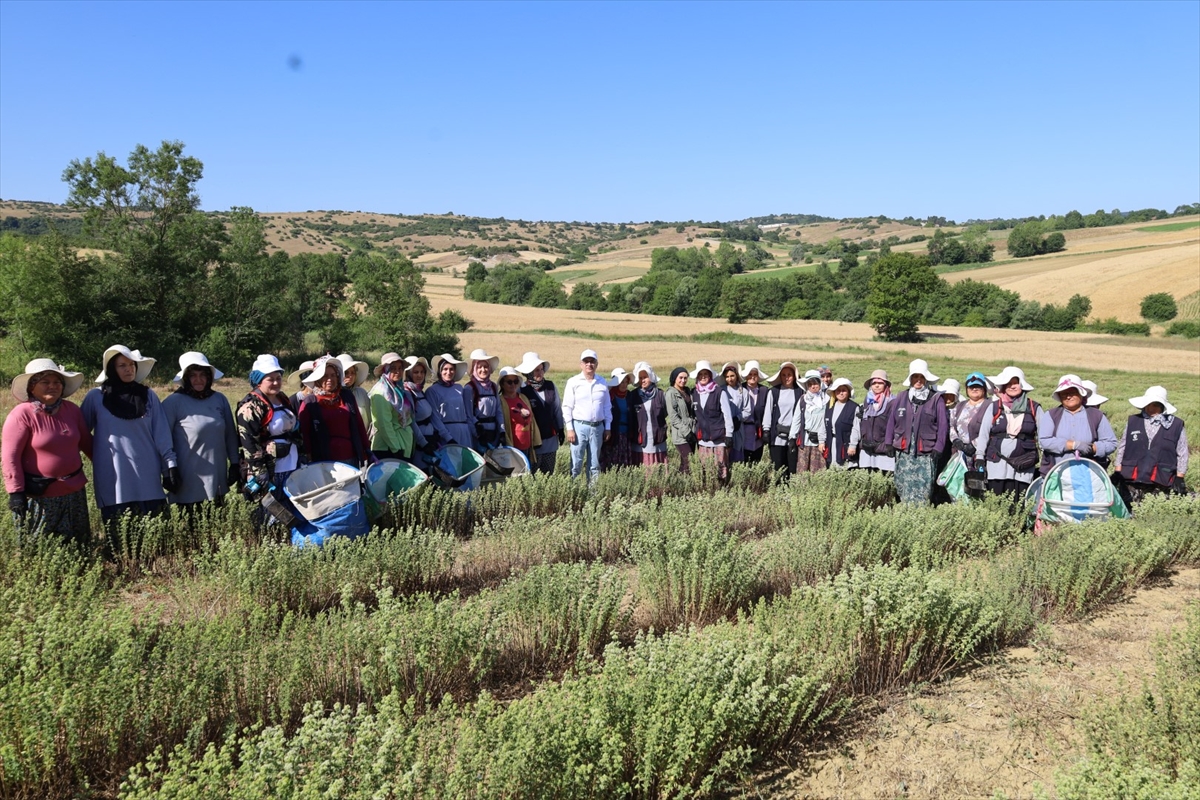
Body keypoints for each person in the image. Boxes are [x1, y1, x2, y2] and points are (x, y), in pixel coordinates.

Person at [81, 345, 178, 540]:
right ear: (111, 369)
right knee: (120, 538)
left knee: (156, 537)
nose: (129, 369)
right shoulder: (96, 397)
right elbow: (80, 433)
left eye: (132, 365)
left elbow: (161, 433)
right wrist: (98, 455)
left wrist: (170, 465)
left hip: (147, 473)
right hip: (113, 475)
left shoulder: (148, 396)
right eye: (122, 365)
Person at [3, 358, 92, 546]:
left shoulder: (72, 411)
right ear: (32, 387)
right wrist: (16, 493)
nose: (53, 386)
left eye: (57, 382)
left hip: (74, 493)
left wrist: (110, 468)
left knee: (78, 546)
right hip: (39, 496)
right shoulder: (22, 414)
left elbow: (87, 444)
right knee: (39, 549)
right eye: (45, 382)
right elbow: (10, 457)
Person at [161, 352, 239, 511]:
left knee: (217, 525)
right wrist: (168, 471)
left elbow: (230, 435)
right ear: (185, 378)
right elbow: (163, 440)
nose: (199, 380)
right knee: (193, 527)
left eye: (203, 375)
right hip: (188, 477)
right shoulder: (172, 403)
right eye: (193, 375)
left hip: (217, 475)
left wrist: (235, 463)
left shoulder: (219, 399)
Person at [236, 354, 301, 522]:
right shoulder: (250, 407)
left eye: (278, 378)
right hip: (269, 468)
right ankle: (266, 541)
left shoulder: (282, 399)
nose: (275, 382)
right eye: (270, 379)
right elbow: (249, 442)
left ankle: (290, 540)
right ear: (259, 381)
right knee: (269, 508)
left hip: (290, 463)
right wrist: (260, 472)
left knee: (290, 503)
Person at [886, 359, 949, 505]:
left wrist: (939, 447)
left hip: (926, 451)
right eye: (915, 377)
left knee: (924, 487)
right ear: (910, 378)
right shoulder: (902, 396)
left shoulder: (936, 398)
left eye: (921, 377)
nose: (918, 381)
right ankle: (905, 513)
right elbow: (891, 421)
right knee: (902, 485)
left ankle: (921, 515)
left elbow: (943, 425)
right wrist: (889, 442)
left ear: (926, 379)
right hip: (904, 450)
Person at [1113, 385, 1189, 502]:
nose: (1151, 408)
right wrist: (1118, 470)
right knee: (1129, 512)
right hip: (1132, 478)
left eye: (1155, 405)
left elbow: (1182, 452)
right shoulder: (1133, 421)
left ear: (1163, 406)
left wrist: (1180, 477)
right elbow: (1123, 446)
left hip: (1161, 479)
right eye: (1148, 404)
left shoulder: (1176, 425)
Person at [973, 366, 1040, 498]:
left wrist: (1046, 463)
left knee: (1019, 505)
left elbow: (1043, 438)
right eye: (1008, 383)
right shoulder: (994, 407)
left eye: (1015, 382)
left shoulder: (1034, 408)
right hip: (996, 466)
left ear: (1021, 384)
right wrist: (979, 457)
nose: (1012, 386)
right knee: (995, 504)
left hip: (1023, 468)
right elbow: (984, 435)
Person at [297, 355, 372, 467]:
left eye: (333, 375)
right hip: (324, 461)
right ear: (317, 379)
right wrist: (308, 456)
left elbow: (358, 424)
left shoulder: (347, 396)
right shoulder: (309, 403)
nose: (329, 379)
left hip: (350, 456)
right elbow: (305, 433)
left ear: (338, 377)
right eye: (325, 376)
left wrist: (366, 449)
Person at [1038, 374, 1117, 476]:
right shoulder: (1051, 415)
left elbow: (1111, 443)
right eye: (1064, 393)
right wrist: (1073, 445)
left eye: (1072, 392)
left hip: (1090, 474)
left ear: (1081, 393)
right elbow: (1044, 441)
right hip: (1056, 473)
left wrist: (1093, 448)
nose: (1068, 396)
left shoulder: (1096, 415)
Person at [561, 349, 611, 484]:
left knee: (594, 465)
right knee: (576, 463)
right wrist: (569, 428)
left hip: (597, 427)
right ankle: (575, 491)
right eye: (586, 361)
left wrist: (607, 427)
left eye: (592, 361)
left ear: (597, 364)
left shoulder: (602, 382)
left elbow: (607, 407)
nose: (589, 364)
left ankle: (592, 495)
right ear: (581, 364)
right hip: (579, 427)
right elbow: (567, 407)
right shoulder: (573, 382)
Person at [517, 351, 564, 475]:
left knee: (547, 474)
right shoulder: (521, 390)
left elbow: (557, 409)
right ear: (529, 373)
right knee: (531, 474)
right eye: (536, 370)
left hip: (550, 438)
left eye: (541, 369)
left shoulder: (550, 386)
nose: (540, 373)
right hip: (532, 440)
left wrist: (560, 429)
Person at [369, 352, 423, 461]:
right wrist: (395, 449)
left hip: (402, 444)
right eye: (393, 368)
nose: (397, 372)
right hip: (388, 447)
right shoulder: (381, 392)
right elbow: (384, 424)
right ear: (386, 369)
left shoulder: (398, 389)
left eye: (400, 368)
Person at [691, 360, 734, 480]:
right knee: (705, 468)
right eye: (701, 374)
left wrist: (729, 434)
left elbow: (727, 415)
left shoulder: (719, 392)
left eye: (706, 374)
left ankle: (722, 490)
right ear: (697, 376)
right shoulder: (694, 393)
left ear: (710, 375)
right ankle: (709, 490)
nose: (703, 376)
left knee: (721, 467)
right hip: (703, 439)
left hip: (719, 437)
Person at [762, 361, 802, 478]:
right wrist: (766, 430)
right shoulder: (774, 392)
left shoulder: (800, 392)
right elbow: (768, 412)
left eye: (789, 375)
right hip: (777, 436)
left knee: (792, 466)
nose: (786, 378)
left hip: (793, 435)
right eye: (783, 375)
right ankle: (780, 491)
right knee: (778, 467)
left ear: (794, 376)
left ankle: (791, 491)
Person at [426, 353, 474, 448]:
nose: (448, 372)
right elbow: (435, 417)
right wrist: (447, 437)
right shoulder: (432, 391)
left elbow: (468, 413)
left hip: (464, 432)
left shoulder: (459, 388)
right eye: (445, 369)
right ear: (440, 371)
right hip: (448, 433)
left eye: (451, 369)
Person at [497, 367, 540, 465]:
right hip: (512, 447)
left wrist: (536, 440)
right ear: (502, 384)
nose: (513, 385)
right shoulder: (500, 401)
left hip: (528, 445)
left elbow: (532, 420)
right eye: (509, 382)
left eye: (515, 381)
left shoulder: (523, 398)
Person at [464, 348, 504, 453]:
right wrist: (477, 434)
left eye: (485, 366)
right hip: (478, 434)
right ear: (474, 369)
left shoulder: (493, 387)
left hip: (493, 434)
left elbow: (498, 411)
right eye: (479, 367)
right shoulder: (469, 388)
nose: (483, 370)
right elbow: (468, 414)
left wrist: (502, 431)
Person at [788, 369, 828, 474]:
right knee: (802, 471)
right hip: (805, 441)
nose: (813, 386)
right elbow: (796, 419)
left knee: (818, 471)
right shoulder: (803, 400)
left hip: (820, 442)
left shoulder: (826, 400)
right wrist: (792, 437)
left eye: (815, 383)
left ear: (820, 383)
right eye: (810, 384)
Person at [631, 361, 668, 471]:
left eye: (645, 377)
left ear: (651, 377)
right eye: (640, 377)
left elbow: (665, 413)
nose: (643, 380)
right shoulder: (633, 395)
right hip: (641, 438)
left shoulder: (660, 394)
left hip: (657, 437)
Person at [857, 369, 896, 473]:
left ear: (886, 385)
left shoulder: (892, 403)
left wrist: (889, 444)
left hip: (884, 449)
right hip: (867, 449)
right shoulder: (866, 401)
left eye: (880, 383)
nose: (877, 385)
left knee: (885, 477)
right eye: (874, 383)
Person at [602, 367, 636, 471]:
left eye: (626, 382)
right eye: (622, 382)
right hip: (612, 436)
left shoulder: (630, 396)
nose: (624, 385)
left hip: (626, 436)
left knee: (625, 466)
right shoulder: (608, 397)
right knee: (611, 463)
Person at [665, 366, 696, 473]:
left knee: (685, 462)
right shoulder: (671, 394)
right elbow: (673, 417)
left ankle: (681, 483)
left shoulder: (687, 391)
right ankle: (685, 483)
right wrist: (686, 432)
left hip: (692, 431)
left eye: (685, 378)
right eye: (680, 378)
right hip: (680, 434)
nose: (683, 380)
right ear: (674, 378)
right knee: (688, 459)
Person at [824, 378, 860, 468]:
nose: (841, 393)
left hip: (846, 444)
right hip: (832, 443)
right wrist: (821, 441)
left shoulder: (854, 407)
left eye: (843, 390)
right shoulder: (829, 406)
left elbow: (856, 428)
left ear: (848, 392)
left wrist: (853, 445)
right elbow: (823, 425)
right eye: (838, 390)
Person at [739, 361, 770, 463]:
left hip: (758, 432)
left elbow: (767, 411)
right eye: (750, 374)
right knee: (743, 460)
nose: (752, 377)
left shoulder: (764, 391)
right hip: (742, 430)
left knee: (756, 459)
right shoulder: (739, 389)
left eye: (755, 374)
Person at [720, 361, 750, 464]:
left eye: (732, 376)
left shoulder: (743, 391)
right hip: (724, 428)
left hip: (738, 427)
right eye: (727, 376)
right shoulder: (721, 390)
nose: (730, 379)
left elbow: (747, 410)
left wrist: (738, 418)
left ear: (736, 375)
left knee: (737, 455)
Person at [336, 354, 372, 433]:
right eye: (346, 373)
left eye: (353, 372)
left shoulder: (361, 393)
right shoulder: (334, 396)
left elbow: (369, 418)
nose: (350, 376)